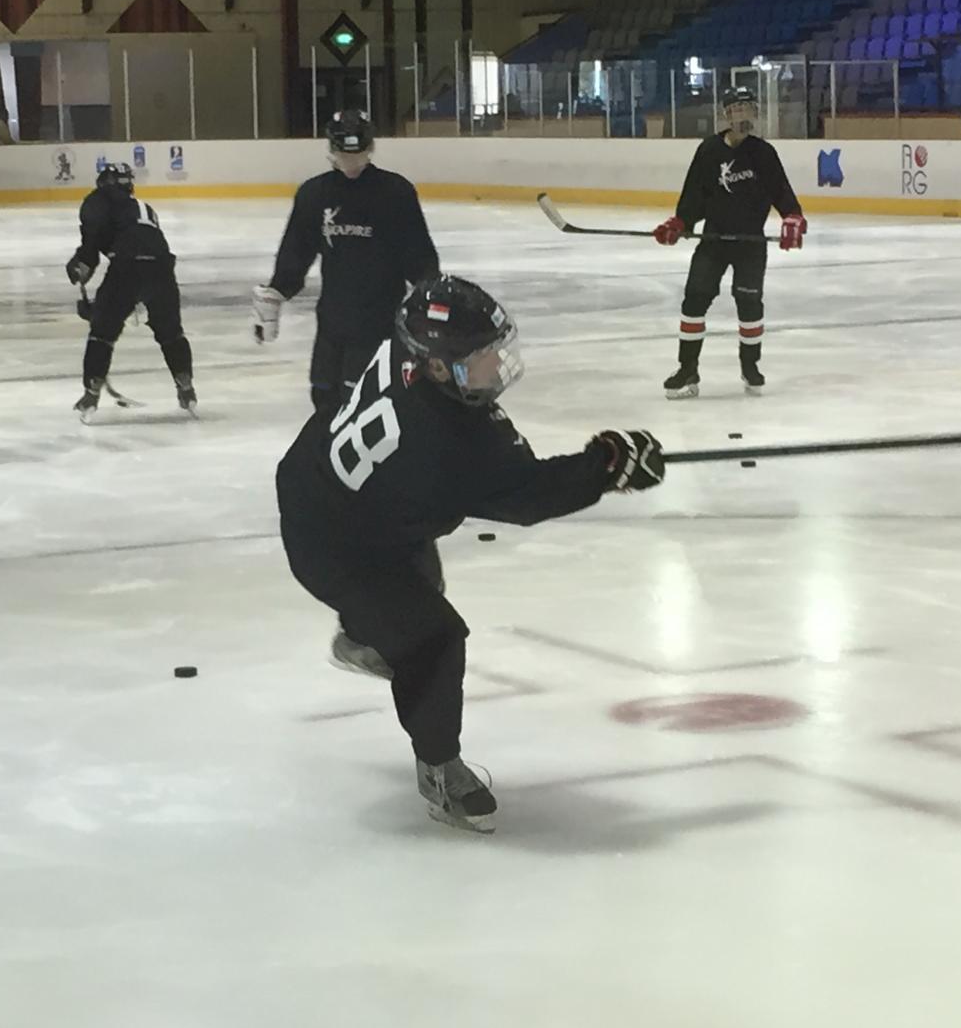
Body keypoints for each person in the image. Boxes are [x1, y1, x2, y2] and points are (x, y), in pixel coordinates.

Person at [275, 275, 666, 834]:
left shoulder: (404, 353)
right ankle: (439, 767)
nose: (495, 365)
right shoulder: (449, 443)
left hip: (320, 483)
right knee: (434, 639)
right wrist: (607, 466)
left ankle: (363, 633)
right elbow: (527, 495)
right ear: (437, 367)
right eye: (480, 358)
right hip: (339, 547)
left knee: (418, 589)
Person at [253, 111, 440, 415]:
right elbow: (296, 250)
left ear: (370, 148)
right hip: (332, 322)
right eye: (344, 153)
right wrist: (276, 293)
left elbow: (418, 254)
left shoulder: (395, 193)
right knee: (325, 400)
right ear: (331, 150)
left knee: (366, 404)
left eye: (357, 153)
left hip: (380, 323)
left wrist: (430, 297)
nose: (350, 160)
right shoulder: (315, 194)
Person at [656, 85, 807, 400]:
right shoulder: (708, 151)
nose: (743, 115)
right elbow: (694, 195)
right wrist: (680, 222)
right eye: (737, 110)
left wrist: (793, 217)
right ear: (726, 115)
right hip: (713, 240)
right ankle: (687, 369)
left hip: (750, 243)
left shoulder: (763, 153)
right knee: (694, 299)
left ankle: (750, 366)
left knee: (749, 303)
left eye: (748, 109)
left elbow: (782, 192)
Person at [67, 160, 195, 420]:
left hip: (126, 267)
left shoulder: (97, 200)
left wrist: (80, 267)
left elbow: (92, 247)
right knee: (171, 332)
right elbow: (145, 245)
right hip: (162, 268)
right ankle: (186, 386)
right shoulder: (144, 208)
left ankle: (92, 392)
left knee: (102, 334)